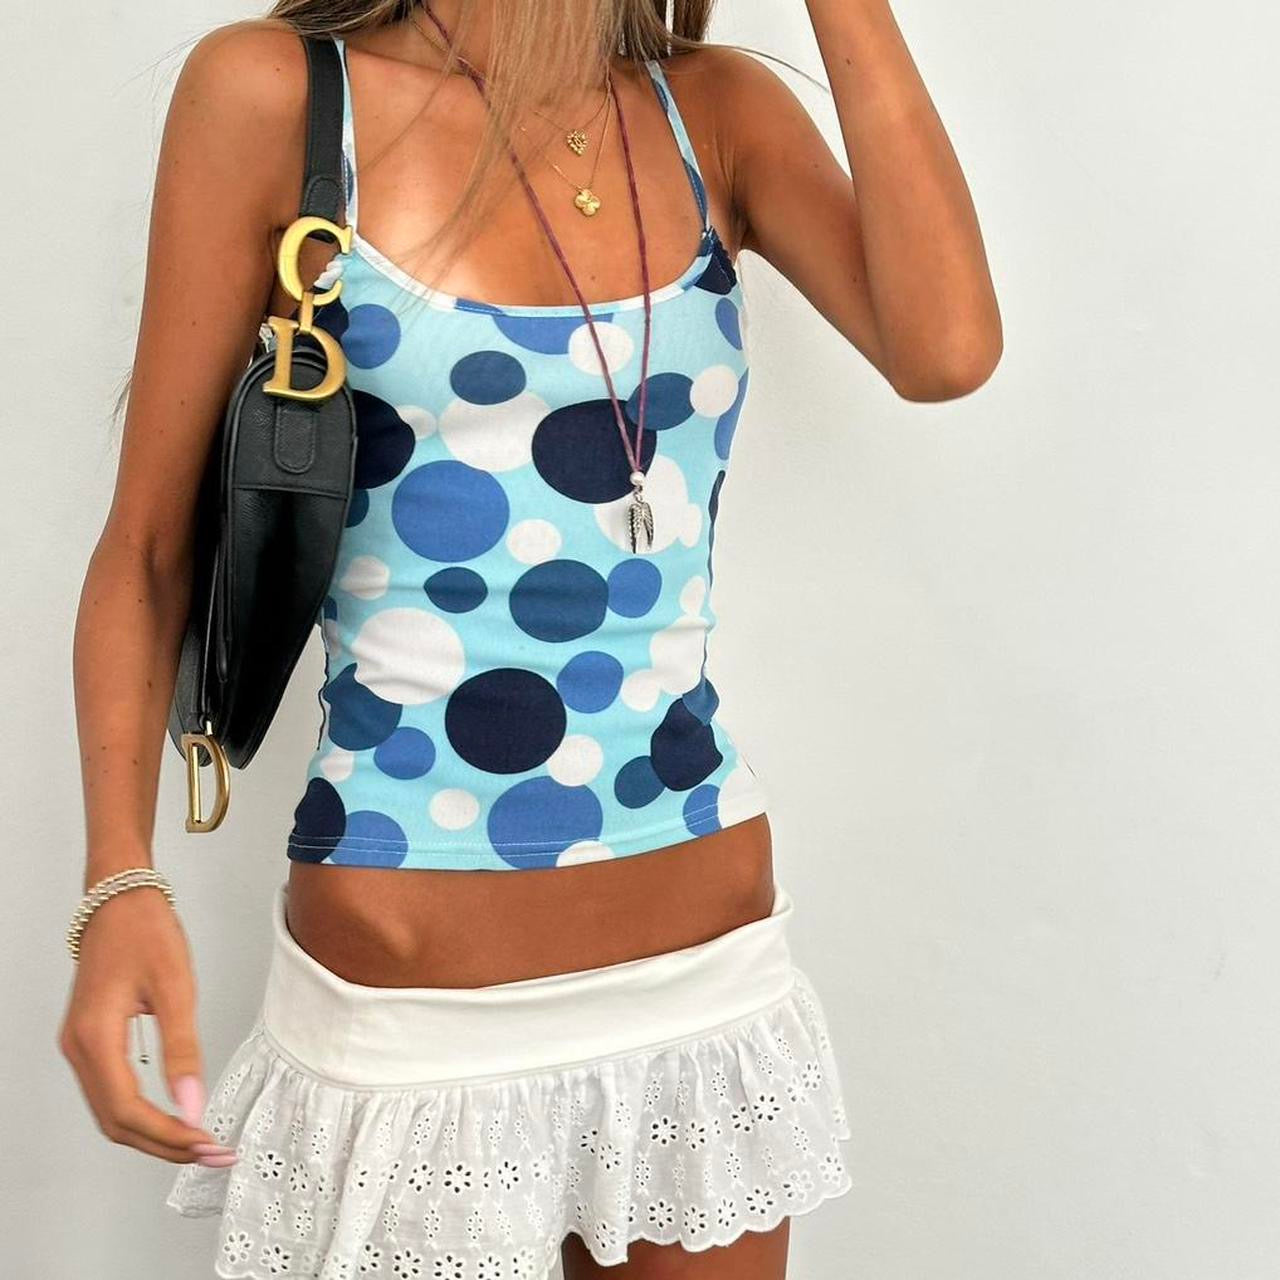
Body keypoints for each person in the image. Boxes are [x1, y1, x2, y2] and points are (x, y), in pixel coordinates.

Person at [59, 1, 1001, 1276]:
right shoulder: (279, 96)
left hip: (702, 977)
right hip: (407, 1016)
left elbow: (944, 350)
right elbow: (149, 548)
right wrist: (118, 876)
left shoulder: (712, 111)